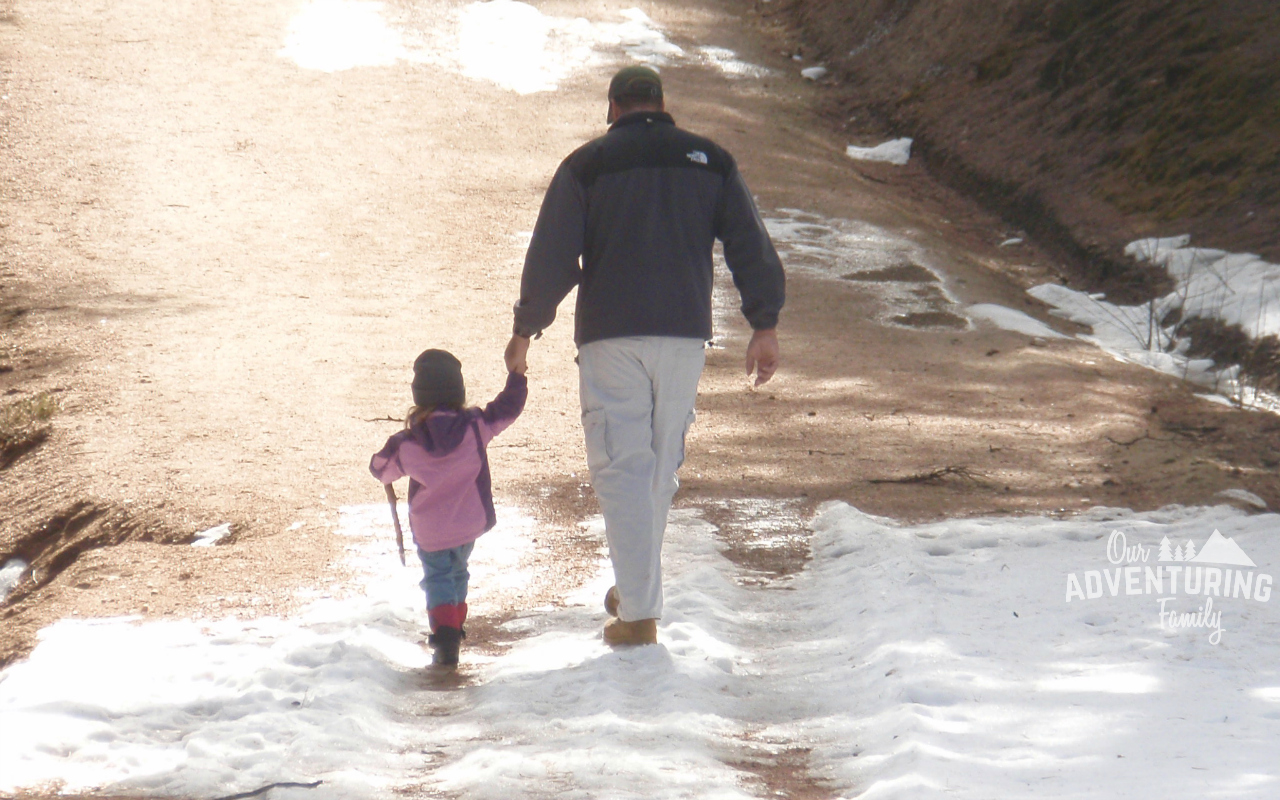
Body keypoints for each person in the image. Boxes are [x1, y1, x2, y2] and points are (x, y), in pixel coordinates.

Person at [505, 65, 785, 647]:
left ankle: (638, 615)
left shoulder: (586, 165)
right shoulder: (708, 160)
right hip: (684, 333)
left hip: (611, 334)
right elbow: (749, 243)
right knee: (658, 467)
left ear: (613, 107)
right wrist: (764, 323)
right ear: (663, 103)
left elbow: (552, 254)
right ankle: (638, 584)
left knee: (622, 467)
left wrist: (526, 327)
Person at [369, 348, 527, 667]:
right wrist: (517, 376)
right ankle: (454, 621)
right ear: (459, 391)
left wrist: (381, 466)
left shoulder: (409, 442)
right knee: (458, 570)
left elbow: (381, 468)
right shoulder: (475, 427)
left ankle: (446, 634)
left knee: (437, 575)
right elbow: (508, 409)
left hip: (430, 531)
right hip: (469, 525)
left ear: (419, 396)